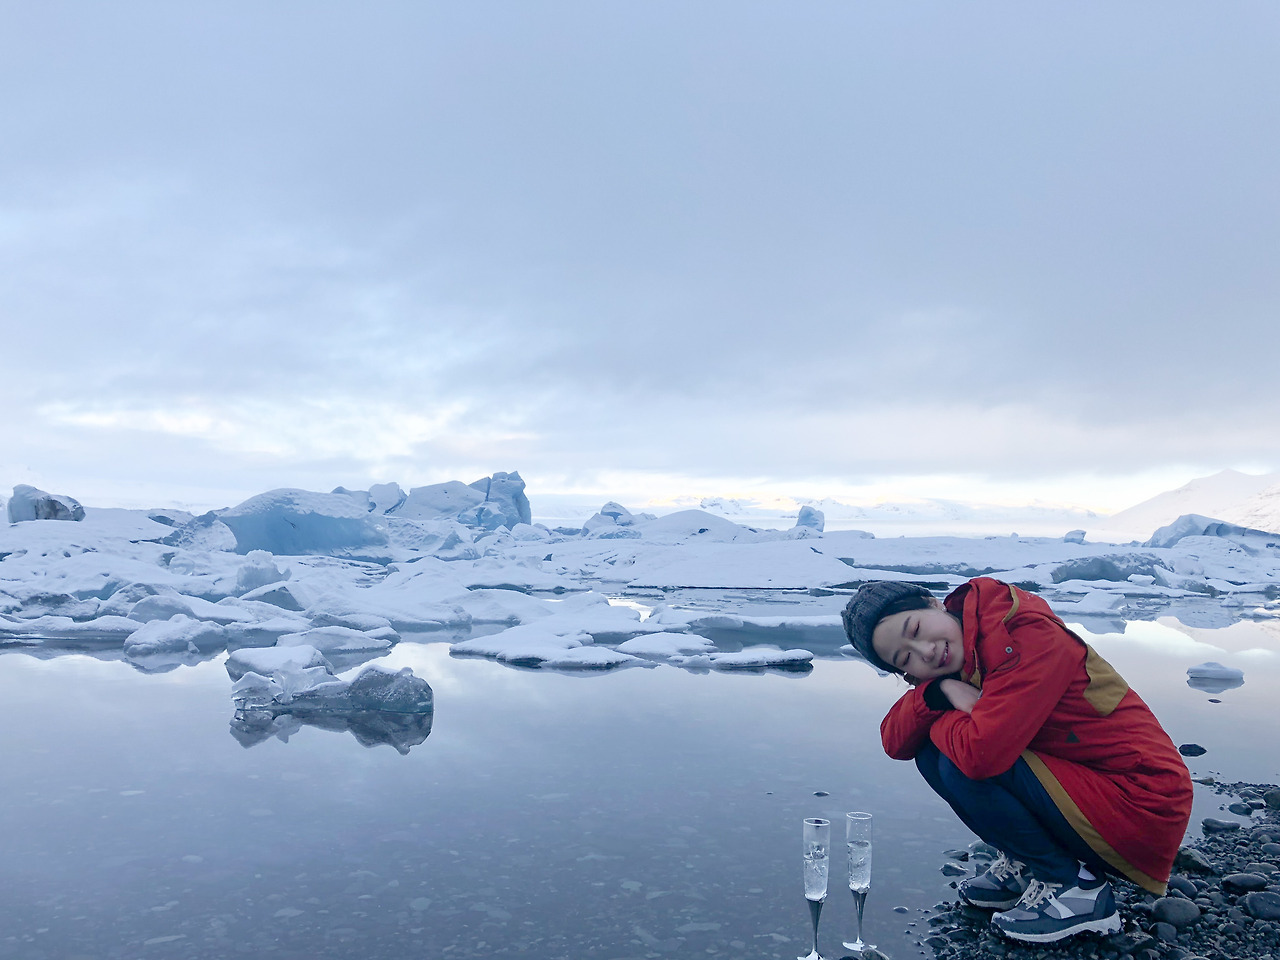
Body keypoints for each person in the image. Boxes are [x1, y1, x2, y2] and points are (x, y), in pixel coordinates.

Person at [841, 577, 1192, 944]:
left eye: (915, 629)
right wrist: (938, 693)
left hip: (1144, 800)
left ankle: (1078, 890)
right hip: (1095, 786)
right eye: (906, 659)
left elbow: (981, 756)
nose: (925, 652)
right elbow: (894, 741)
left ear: (933, 603)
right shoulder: (966, 649)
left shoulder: (1021, 634)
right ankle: (1028, 864)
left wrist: (939, 714)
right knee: (933, 751)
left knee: (958, 759)